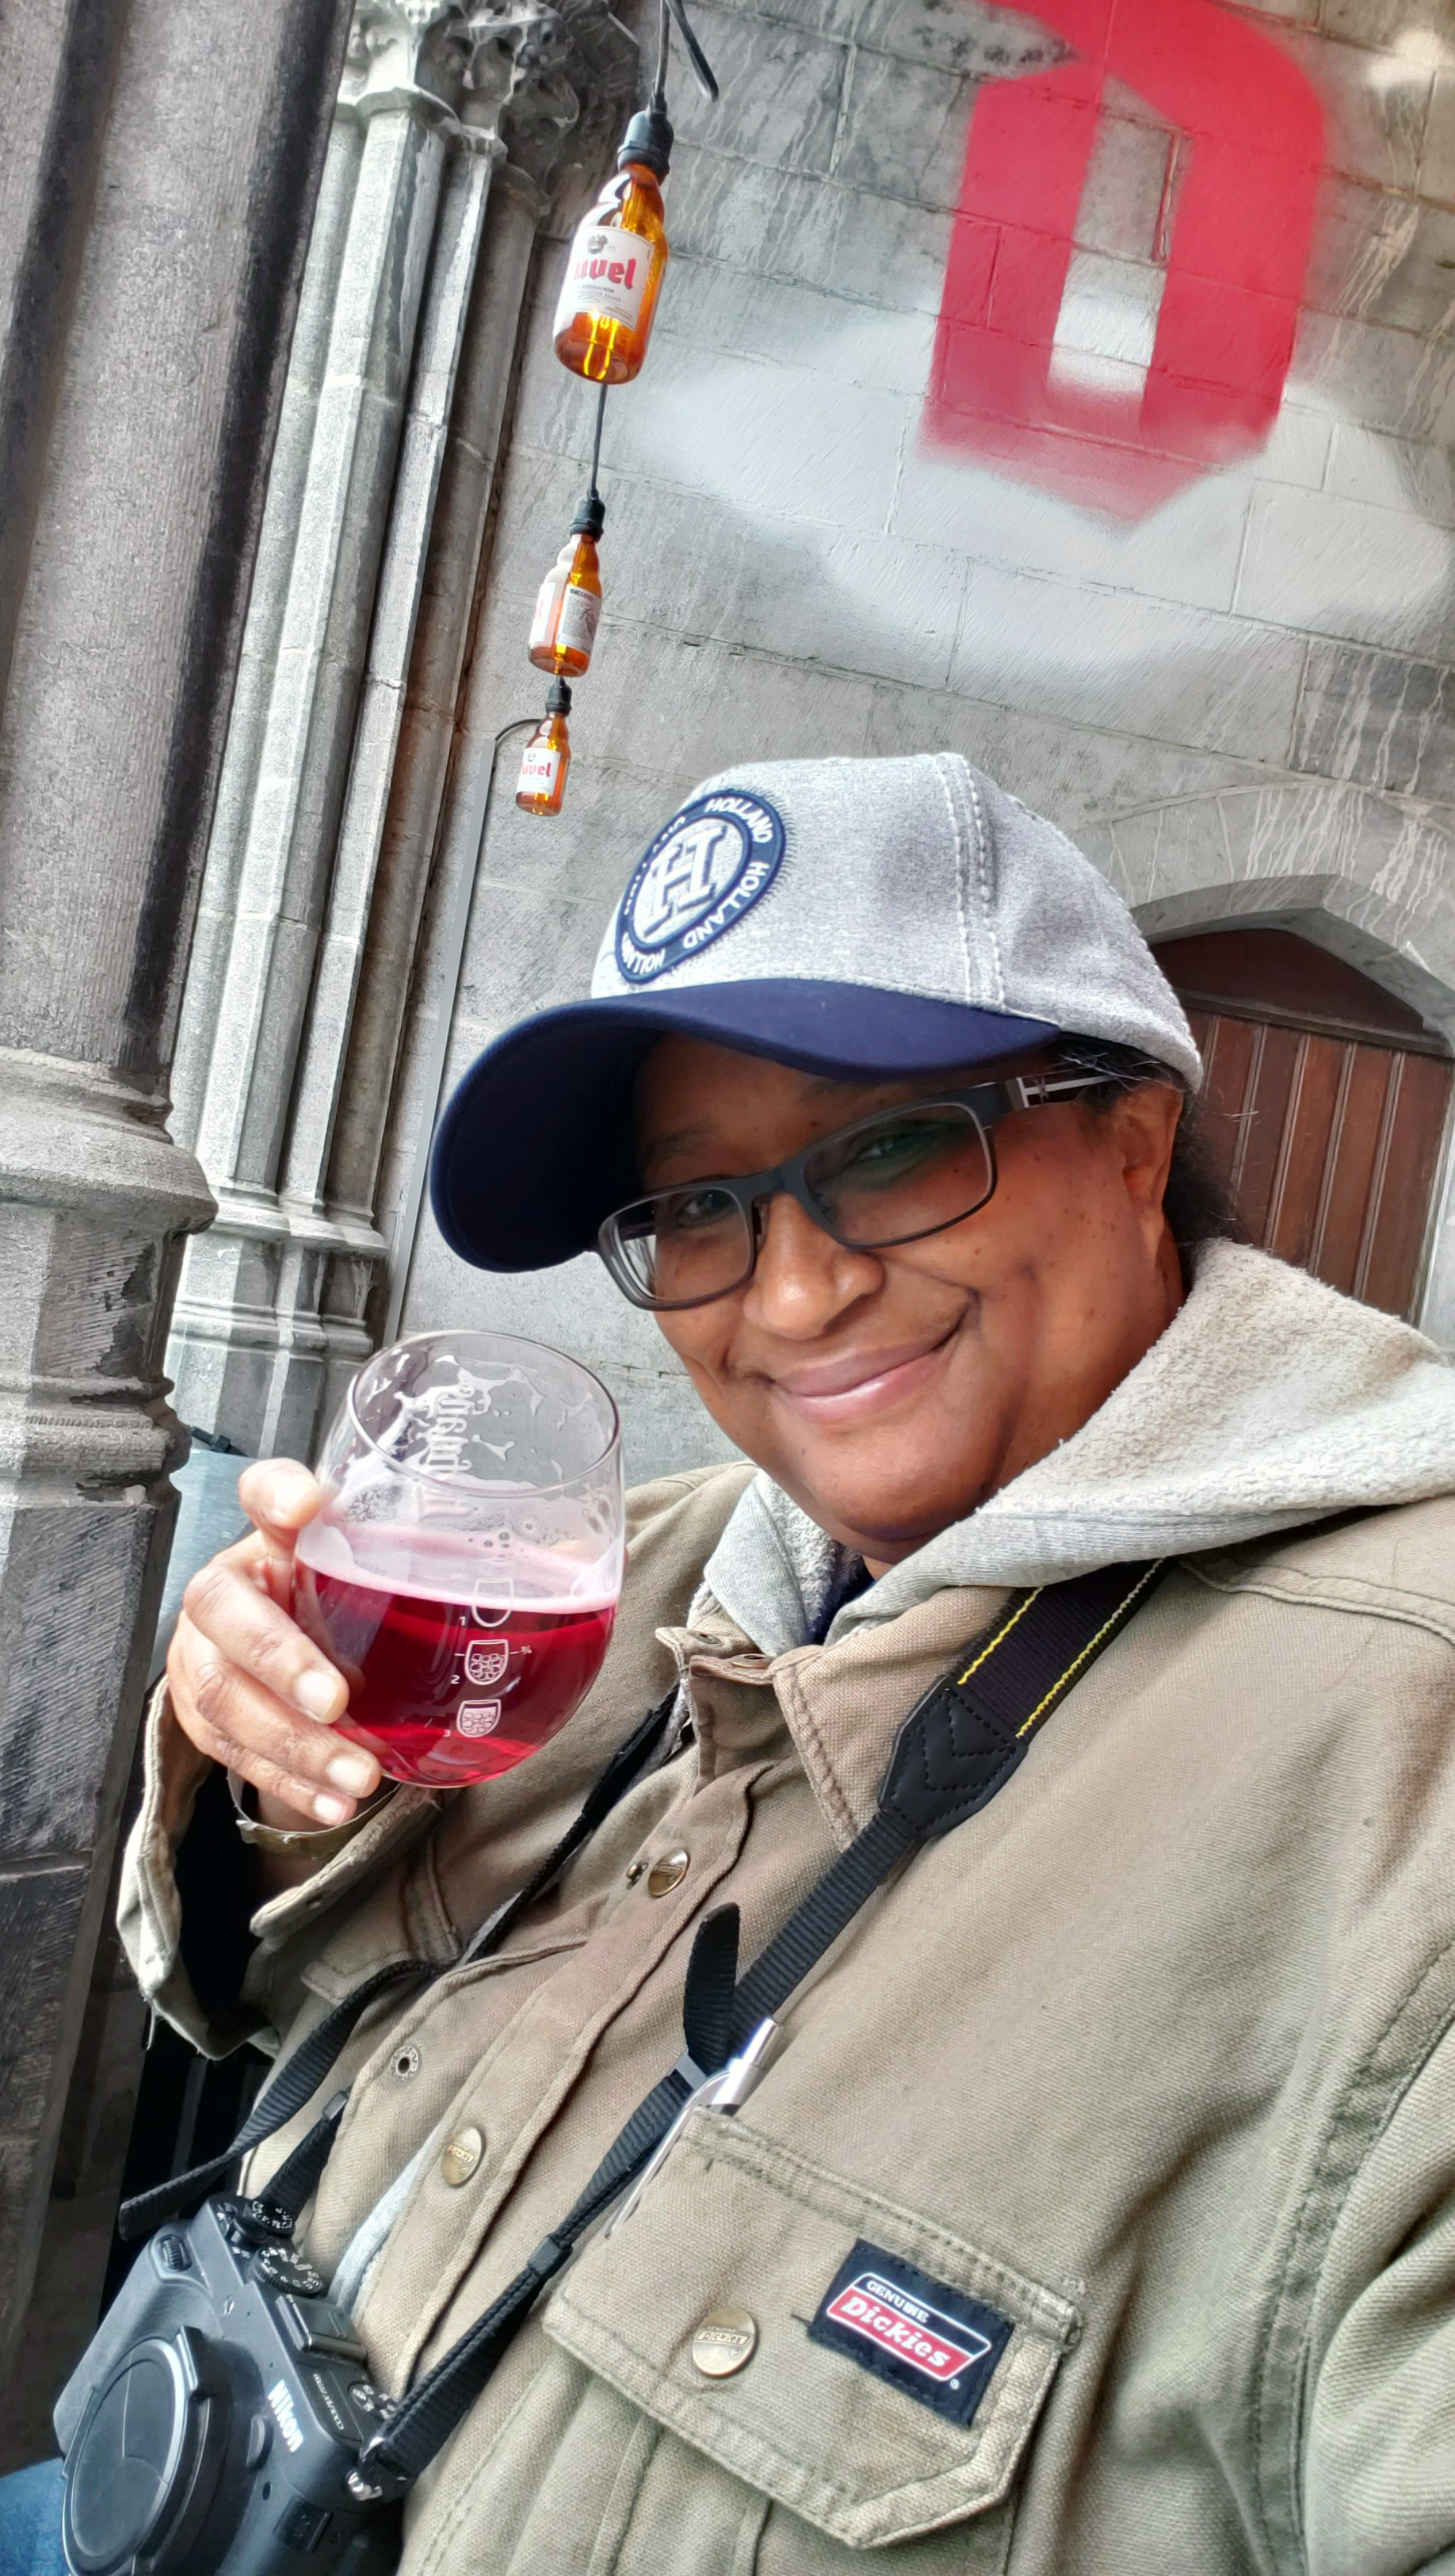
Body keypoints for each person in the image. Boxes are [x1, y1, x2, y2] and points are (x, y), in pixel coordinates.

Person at [15, 752, 1455, 2573]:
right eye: (698, 1208)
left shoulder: (1406, 1755)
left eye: (898, 1148)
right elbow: (262, 1995)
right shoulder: (645, 1568)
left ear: (1137, 1143)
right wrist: (267, 1782)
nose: (788, 1296)